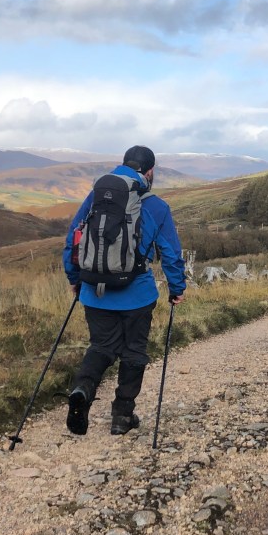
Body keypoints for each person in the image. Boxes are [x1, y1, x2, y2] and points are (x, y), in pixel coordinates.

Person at [62, 146, 186, 435]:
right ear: (150, 171)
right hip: (138, 294)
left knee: (102, 347)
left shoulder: (96, 196)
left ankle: (82, 389)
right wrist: (177, 288)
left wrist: (75, 278)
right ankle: (122, 416)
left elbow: (73, 239)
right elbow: (170, 253)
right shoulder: (156, 205)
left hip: (95, 290)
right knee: (134, 351)